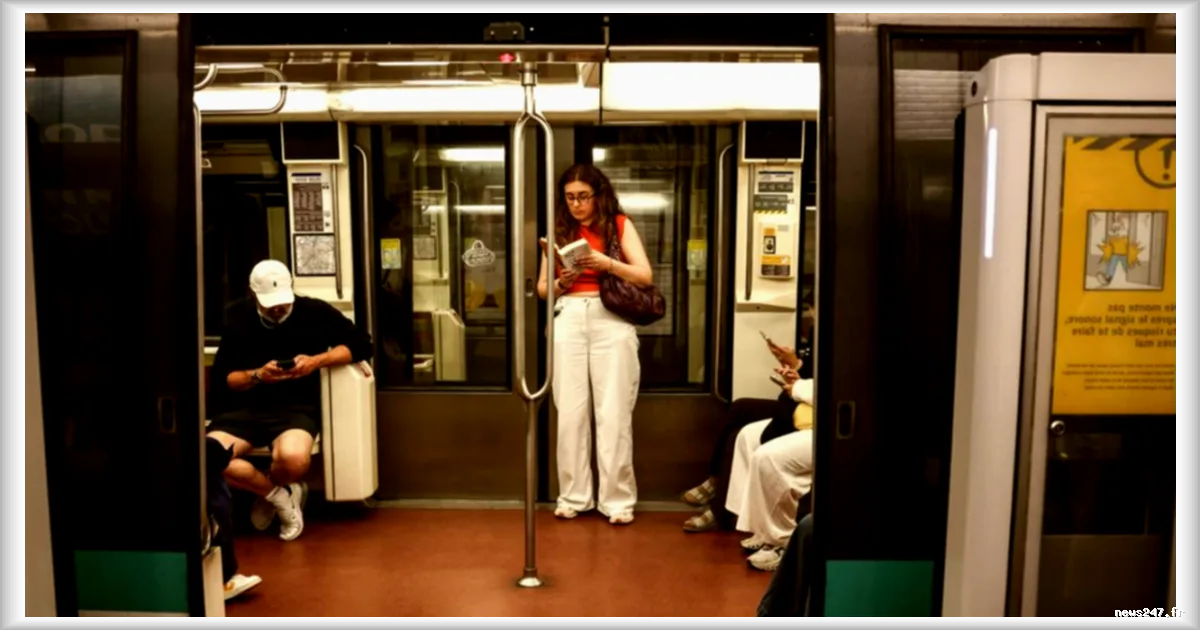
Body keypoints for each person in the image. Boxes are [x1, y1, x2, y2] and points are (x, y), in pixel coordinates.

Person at [207, 259, 373, 541]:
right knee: (206, 456)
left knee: (293, 460)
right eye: (269, 303)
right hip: (244, 410)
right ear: (252, 294)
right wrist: (258, 375)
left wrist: (315, 362)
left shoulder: (315, 312)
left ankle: (268, 491)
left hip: (296, 409)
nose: (277, 308)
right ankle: (279, 495)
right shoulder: (237, 317)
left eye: (282, 301)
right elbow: (226, 378)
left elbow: (361, 344)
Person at [536, 164, 654, 525]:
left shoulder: (619, 225)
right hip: (569, 314)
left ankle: (617, 501)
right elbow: (543, 288)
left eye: (583, 196)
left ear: (598, 195)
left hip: (610, 317)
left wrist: (606, 264)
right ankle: (573, 496)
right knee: (570, 413)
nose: (576, 204)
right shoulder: (558, 230)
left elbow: (645, 276)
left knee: (613, 412)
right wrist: (562, 281)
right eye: (570, 197)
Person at [681, 324, 813, 532]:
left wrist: (797, 382)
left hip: (806, 409)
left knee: (738, 434)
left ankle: (719, 508)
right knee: (740, 409)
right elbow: (811, 375)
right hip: (799, 403)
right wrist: (795, 365)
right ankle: (716, 483)